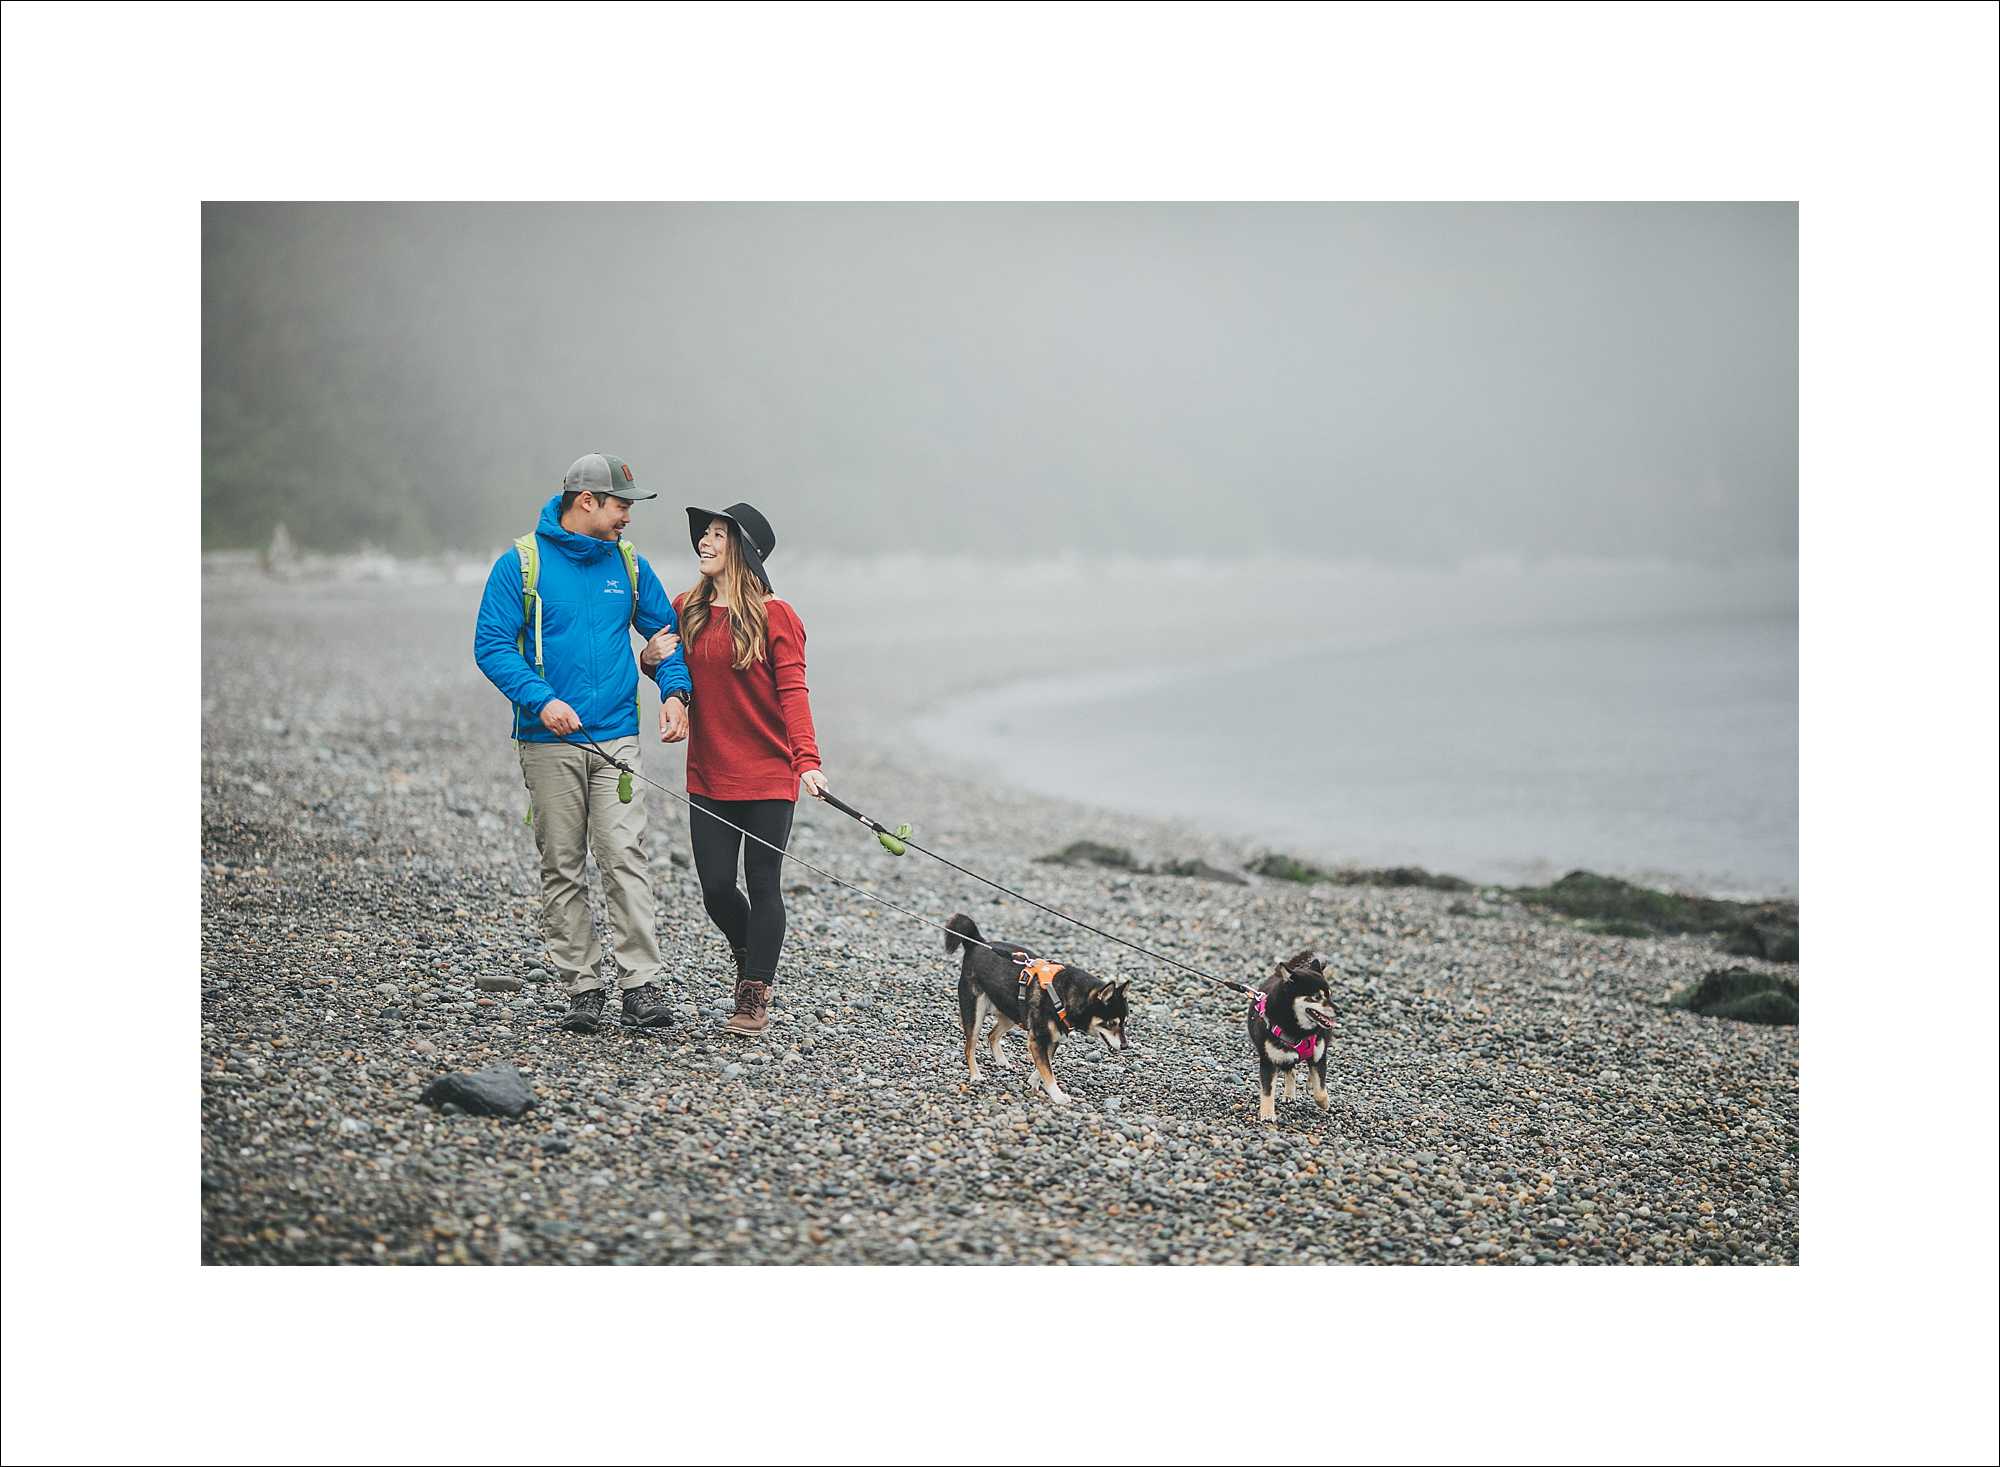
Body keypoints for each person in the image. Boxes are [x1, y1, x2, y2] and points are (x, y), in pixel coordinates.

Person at [473, 452, 694, 1034]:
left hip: (617, 739)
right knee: (563, 864)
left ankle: (641, 984)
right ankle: (583, 988)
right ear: (587, 501)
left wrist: (675, 693)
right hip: (547, 740)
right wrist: (541, 700)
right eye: (621, 505)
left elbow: (666, 637)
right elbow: (491, 645)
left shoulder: (630, 564)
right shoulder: (521, 564)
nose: (628, 516)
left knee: (624, 856)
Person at [644, 502, 825, 1036]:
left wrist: (807, 762)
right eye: (705, 533)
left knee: (764, 883)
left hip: (769, 772)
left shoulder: (778, 616)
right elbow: (669, 668)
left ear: (744, 552)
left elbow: (793, 693)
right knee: (717, 888)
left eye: (719, 535)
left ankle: (754, 992)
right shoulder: (687, 608)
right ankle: (751, 955)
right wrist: (649, 661)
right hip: (710, 772)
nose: (705, 541)